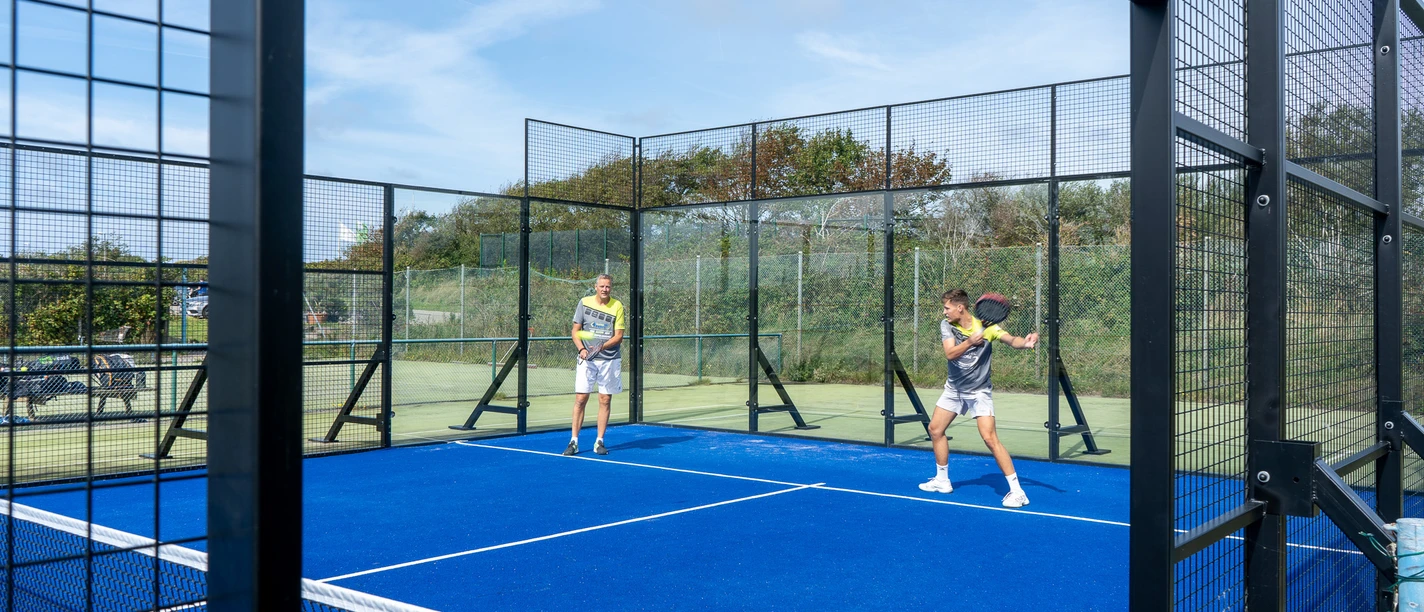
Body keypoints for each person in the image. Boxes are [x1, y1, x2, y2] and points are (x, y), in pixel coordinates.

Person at [918, 289, 1038, 508]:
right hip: (954, 389)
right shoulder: (947, 326)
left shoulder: (989, 327)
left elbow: (1011, 339)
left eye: (947, 308)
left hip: (979, 391)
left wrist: (1026, 343)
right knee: (935, 429)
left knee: (989, 438)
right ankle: (942, 481)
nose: (944, 312)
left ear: (959, 307)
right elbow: (950, 353)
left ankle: (1018, 492)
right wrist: (970, 342)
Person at [564, 274, 625, 456]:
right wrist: (583, 350)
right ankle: (573, 441)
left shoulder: (617, 306)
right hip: (586, 360)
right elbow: (575, 331)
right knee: (581, 399)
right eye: (602, 286)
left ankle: (599, 441)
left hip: (610, 359)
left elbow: (619, 336)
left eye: (608, 286)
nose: (605, 289)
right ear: (596, 287)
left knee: (605, 399)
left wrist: (600, 347)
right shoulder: (584, 303)